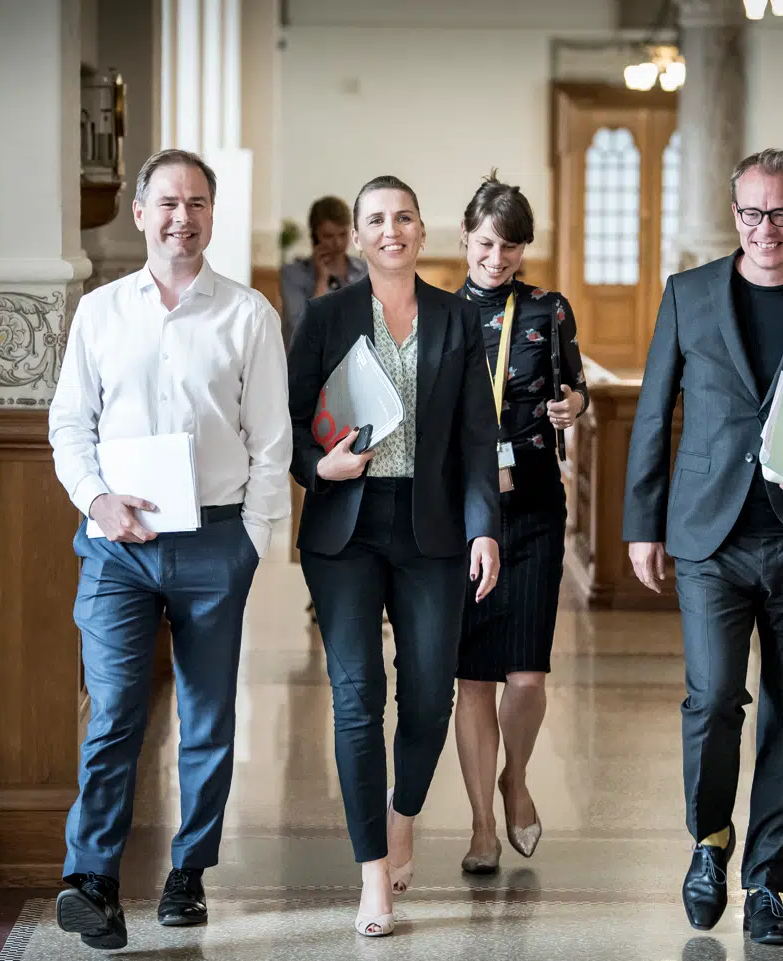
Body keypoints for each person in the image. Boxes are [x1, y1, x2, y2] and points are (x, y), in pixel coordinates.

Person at [623, 148, 783, 946]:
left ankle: (768, 881)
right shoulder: (690, 294)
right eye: (750, 212)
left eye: (779, 212)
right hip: (710, 535)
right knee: (712, 700)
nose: (764, 228)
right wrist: (643, 522)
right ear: (732, 212)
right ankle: (709, 840)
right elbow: (652, 411)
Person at [48, 149, 292, 951]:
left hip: (214, 540)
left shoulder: (248, 315)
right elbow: (68, 424)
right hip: (116, 547)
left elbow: (271, 443)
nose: (181, 217)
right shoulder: (101, 312)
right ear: (140, 214)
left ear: (210, 215)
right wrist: (96, 500)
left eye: (196, 203)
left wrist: (249, 546)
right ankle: (93, 878)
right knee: (115, 708)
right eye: (167, 203)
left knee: (207, 716)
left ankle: (188, 869)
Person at [286, 174, 501, 937]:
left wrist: (485, 527)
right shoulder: (325, 315)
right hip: (344, 528)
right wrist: (320, 468)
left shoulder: (455, 316)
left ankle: (403, 811)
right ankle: (373, 872)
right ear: (356, 231)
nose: (391, 230)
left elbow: (479, 434)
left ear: (421, 228)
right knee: (356, 698)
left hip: (433, 528)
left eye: (403, 216)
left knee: (428, 694)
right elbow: (290, 422)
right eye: (375, 219)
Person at [451, 174, 587, 875]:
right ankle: (480, 824)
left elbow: (573, 386)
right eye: (484, 243)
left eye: (509, 246)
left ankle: (517, 777)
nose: (495, 258)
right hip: (464, 515)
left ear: (524, 249)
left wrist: (573, 409)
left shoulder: (548, 309)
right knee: (472, 678)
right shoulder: (439, 314)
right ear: (465, 239)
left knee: (527, 677)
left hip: (533, 505)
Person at [278, 196, 368, 349]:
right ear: (314, 237)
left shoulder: (364, 271)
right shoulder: (292, 274)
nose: (337, 243)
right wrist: (322, 280)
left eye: (342, 234)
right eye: (328, 236)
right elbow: (300, 330)